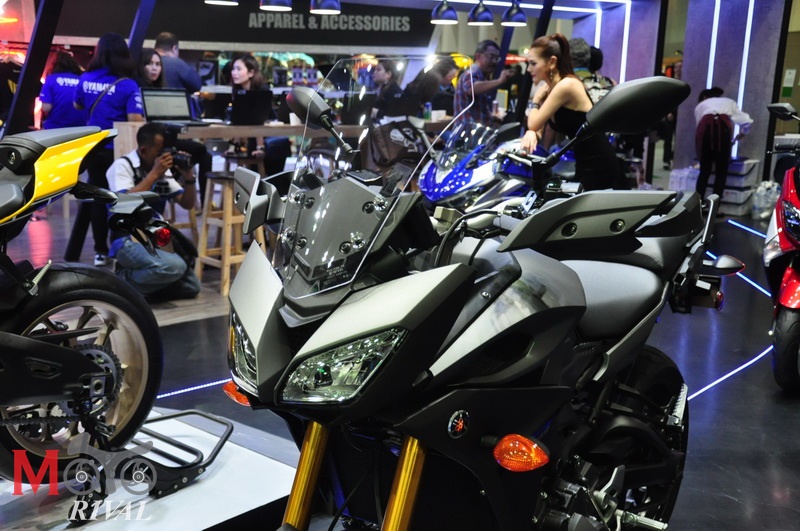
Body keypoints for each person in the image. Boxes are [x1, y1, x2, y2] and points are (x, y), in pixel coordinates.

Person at [66, 33, 144, 266]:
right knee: (121, 196)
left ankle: (100, 251)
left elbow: (77, 104)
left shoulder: (86, 78)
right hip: (117, 150)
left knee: (98, 199)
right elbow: (135, 119)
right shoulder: (128, 84)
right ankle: (119, 246)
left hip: (93, 148)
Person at [107, 122, 201, 300]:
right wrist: (154, 174)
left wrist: (189, 178)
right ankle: (119, 280)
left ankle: (140, 289)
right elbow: (123, 204)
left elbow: (187, 204)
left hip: (156, 236)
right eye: (160, 153)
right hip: (127, 237)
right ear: (144, 150)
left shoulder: (162, 171)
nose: (165, 157)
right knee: (174, 267)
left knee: (192, 287)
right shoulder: (122, 166)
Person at [519, 33, 623, 191]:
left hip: (598, 163)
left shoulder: (566, 85)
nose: (529, 69)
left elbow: (534, 122)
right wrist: (532, 132)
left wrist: (536, 100)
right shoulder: (553, 87)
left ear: (552, 62)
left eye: (533, 63)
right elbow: (538, 124)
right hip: (584, 161)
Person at [138, 48, 212, 203]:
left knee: (205, 155)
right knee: (200, 150)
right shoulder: (136, 90)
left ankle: (204, 201)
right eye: (149, 64)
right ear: (141, 66)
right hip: (154, 142)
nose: (154, 68)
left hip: (167, 138)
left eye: (158, 64)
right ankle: (177, 180)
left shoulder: (161, 88)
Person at [230, 54, 289, 176]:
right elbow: (239, 120)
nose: (234, 73)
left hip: (269, 139)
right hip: (254, 139)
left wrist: (260, 147)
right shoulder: (238, 91)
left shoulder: (262, 90)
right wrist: (234, 145)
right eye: (233, 69)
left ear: (251, 73)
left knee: (271, 177)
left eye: (238, 69)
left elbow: (258, 120)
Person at [694, 87, 753, 202]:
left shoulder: (700, 106)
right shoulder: (729, 102)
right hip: (723, 132)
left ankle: (698, 204)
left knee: (704, 171)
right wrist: (743, 132)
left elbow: (699, 128)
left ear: (704, 97)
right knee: (721, 172)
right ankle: (715, 206)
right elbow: (746, 121)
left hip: (706, 133)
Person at [453, 40, 513, 126]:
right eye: (491, 57)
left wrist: (493, 118)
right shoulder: (470, 73)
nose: (494, 61)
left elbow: (480, 111)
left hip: (477, 130)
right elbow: (472, 89)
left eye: (497, 58)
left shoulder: (482, 77)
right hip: (468, 131)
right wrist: (499, 81)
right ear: (478, 56)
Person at [39, 50, 87, 129]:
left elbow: (46, 108)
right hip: (81, 127)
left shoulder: (51, 79)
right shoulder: (82, 80)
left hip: (56, 127)